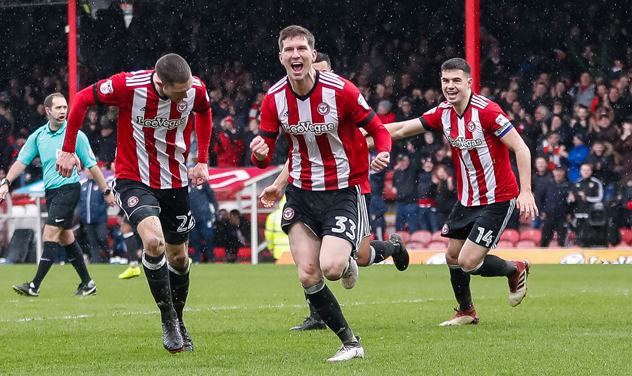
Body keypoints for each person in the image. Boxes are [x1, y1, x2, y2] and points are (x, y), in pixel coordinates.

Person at [250, 26, 392, 362]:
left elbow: (378, 128)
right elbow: (265, 155)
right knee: (307, 273)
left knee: (330, 267)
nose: (295, 55)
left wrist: (382, 153)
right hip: (300, 191)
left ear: (313, 54)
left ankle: (346, 264)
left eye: (302, 48)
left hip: (342, 190)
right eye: (289, 50)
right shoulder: (273, 100)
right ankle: (350, 342)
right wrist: (258, 153)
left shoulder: (341, 91)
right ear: (281, 56)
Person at [55, 53, 213, 353]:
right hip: (133, 178)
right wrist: (67, 149)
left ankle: (178, 319)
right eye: (178, 93)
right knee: (153, 242)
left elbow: (204, 112)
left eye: (187, 92)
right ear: (160, 83)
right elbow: (81, 99)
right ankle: (167, 319)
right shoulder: (127, 85)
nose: (185, 98)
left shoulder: (195, 88)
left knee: (178, 258)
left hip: (176, 181)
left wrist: (202, 159)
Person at [382, 57, 537, 326]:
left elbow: (521, 148)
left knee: (467, 261)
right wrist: (363, 133)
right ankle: (466, 311)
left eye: (456, 80)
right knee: (452, 257)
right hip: (467, 199)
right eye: (445, 80)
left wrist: (526, 191)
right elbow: (402, 129)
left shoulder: (487, 111)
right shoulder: (443, 112)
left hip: (498, 197)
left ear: (469, 83)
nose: (450, 86)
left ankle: (516, 268)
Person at [0, 92, 115, 297]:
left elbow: (93, 166)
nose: (63, 111)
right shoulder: (38, 136)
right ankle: (88, 283)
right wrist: (6, 182)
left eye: (65, 107)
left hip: (69, 189)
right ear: (47, 111)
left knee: (49, 233)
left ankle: (34, 285)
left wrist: (106, 190)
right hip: (51, 192)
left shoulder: (76, 135)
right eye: (58, 108)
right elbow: (21, 162)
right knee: (65, 237)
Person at [78, 168, 111, 263]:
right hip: (87, 219)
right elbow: (80, 202)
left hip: (100, 219)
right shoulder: (84, 185)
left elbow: (106, 200)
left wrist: (100, 211)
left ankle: (108, 256)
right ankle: (96, 261)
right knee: (92, 241)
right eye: (88, 171)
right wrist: (82, 212)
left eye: (91, 171)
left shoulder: (102, 186)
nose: (90, 173)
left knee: (102, 237)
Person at [188, 165, 219, 263]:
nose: (191, 173)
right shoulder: (185, 185)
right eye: (190, 171)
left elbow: (212, 197)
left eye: (193, 171)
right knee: (195, 238)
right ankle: (197, 258)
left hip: (205, 215)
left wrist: (216, 209)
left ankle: (211, 257)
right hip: (192, 217)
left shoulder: (203, 183)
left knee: (208, 235)